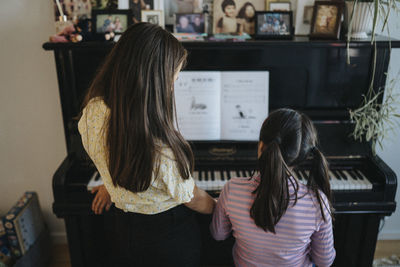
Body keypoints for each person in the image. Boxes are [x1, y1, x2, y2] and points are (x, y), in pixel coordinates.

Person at [78, 23, 216, 266]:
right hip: (167, 240)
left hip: (123, 232)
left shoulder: (93, 111)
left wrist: (111, 185)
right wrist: (222, 206)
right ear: (153, 81)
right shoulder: (160, 147)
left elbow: (113, 157)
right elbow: (191, 197)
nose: (172, 87)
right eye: (172, 79)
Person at [210, 108, 336, 267]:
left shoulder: (232, 190)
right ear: (302, 155)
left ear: (261, 146)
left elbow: (218, 234)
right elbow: (324, 262)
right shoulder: (317, 203)